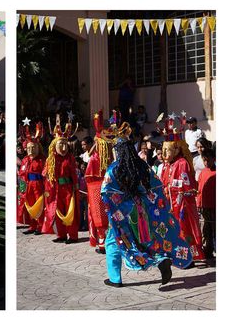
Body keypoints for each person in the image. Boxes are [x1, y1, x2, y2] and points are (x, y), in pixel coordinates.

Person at [101, 121, 192, 288]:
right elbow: (156, 185)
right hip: (141, 211)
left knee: (115, 241)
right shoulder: (142, 166)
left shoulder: (113, 170)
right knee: (147, 240)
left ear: (118, 151)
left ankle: (115, 278)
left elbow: (105, 192)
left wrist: (113, 209)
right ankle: (162, 259)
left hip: (122, 213)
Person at [159, 115, 207, 267]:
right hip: (169, 204)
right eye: (164, 149)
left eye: (168, 149)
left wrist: (173, 189)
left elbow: (186, 186)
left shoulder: (182, 163)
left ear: (177, 148)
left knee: (184, 230)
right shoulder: (167, 165)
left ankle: (189, 258)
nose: (165, 153)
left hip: (182, 205)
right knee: (173, 231)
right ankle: (176, 255)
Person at [43, 115, 80, 243]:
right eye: (61, 144)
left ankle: (73, 235)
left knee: (70, 212)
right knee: (58, 212)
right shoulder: (50, 159)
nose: (63, 148)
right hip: (56, 189)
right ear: (55, 145)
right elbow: (45, 174)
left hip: (68, 189)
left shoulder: (70, 158)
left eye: (65, 144)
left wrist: (76, 187)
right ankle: (61, 235)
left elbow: (74, 175)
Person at [85, 111, 113, 254]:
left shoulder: (96, 160)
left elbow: (89, 178)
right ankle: (107, 243)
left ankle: (103, 244)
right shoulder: (110, 160)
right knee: (106, 218)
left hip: (98, 192)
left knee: (101, 218)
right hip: (104, 192)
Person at [17, 121, 46, 234]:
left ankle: (39, 226)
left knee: (38, 205)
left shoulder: (42, 160)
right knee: (29, 204)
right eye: (29, 148)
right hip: (27, 184)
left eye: (33, 148)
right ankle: (32, 225)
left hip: (38, 185)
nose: (31, 151)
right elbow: (22, 173)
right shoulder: (25, 160)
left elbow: (45, 174)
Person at [197, 148, 216, 259]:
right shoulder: (203, 172)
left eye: (208, 160)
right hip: (204, 207)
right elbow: (200, 190)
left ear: (214, 159)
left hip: (214, 206)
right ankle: (207, 252)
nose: (206, 163)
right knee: (205, 230)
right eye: (204, 160)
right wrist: (198, 204)